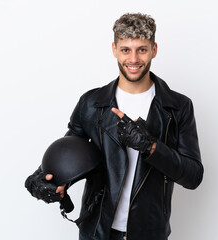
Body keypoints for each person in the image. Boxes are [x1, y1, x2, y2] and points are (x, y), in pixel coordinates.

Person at [25, 13, 203, 240]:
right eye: (126, 49)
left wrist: (150, 147)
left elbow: (193, 176)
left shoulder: (178, 107)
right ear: (114, 49)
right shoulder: (92, 103)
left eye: (142, 49)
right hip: (97, 231)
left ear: (154, 50)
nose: (134, 59)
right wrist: (40, 180)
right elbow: (68, 153)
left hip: (149, 233)